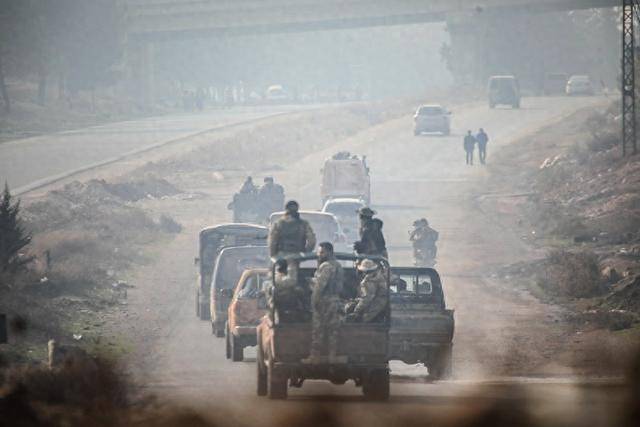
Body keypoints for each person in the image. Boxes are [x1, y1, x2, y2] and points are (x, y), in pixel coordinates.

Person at [303, 242, 344, 363]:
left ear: (329, 252)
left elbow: (320, 286)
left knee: (318, 329)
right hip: (335, 300)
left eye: (322, 252)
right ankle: (332, 356)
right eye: (319, 252)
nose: (319, 254)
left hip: (324, 301)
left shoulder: (326, 266)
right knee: (333, 330)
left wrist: (314, 300)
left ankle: (315, 357)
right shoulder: (338, 265)